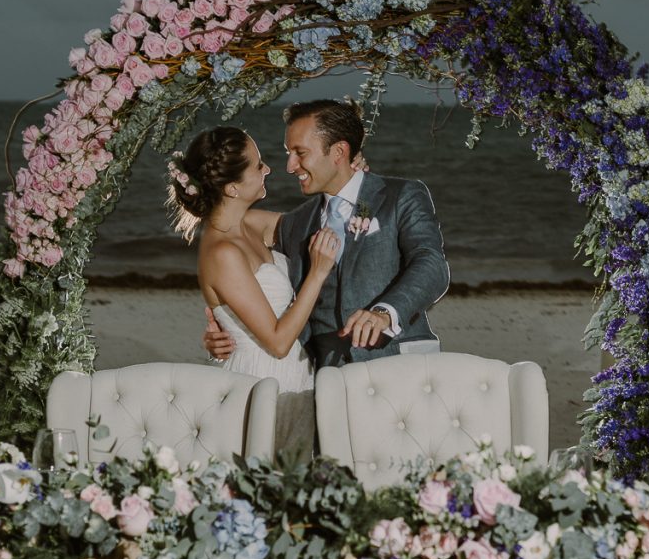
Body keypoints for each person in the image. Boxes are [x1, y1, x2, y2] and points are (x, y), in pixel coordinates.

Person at [204, 98, 450, 369]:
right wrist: (227, 327)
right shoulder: (295, 224)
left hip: (399, 364)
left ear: (338, 152)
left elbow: (431, 264)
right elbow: (229, 240)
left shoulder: (401, 196)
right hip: (324, 377)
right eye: (288, 152)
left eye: (300, 152)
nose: (290, 166)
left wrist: (384, 314)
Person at [167, 126, 342, 457]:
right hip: (263, 387)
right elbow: (276, 343)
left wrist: (339, 171)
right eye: (259, 164)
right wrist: (316, 274)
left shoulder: (251, 225)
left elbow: (319, 221)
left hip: (295, 380)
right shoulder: (223, 252)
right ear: (233, 187)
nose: (268, 169)